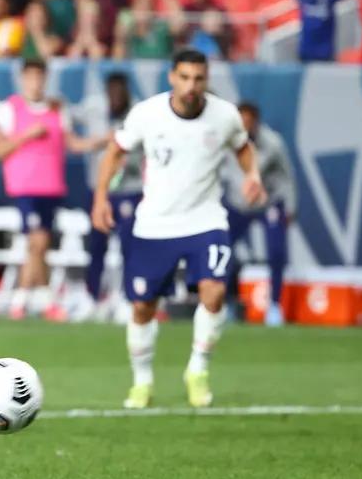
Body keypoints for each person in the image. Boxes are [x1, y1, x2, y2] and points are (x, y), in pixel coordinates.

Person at [91, 49, 266, 410]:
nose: (191, 86)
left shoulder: (225, 116)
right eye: (184, 78)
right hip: (155, 224)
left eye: (198, 79)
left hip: (206, 220)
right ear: (172, 77)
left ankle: (198, 370)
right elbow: (115, 151)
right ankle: (142, 381)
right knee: (142, 306)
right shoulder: (147, 114)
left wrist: (253, 175)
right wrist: (100, 198)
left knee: (214, 293)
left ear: (207, 79)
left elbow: (243, 147)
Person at [0, 59, 105, 320]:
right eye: (30, 78)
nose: (35, 83)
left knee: (39, 245)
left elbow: (73, 144)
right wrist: (26, 135)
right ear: (22, 80)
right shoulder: (10, 108)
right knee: (37, 241)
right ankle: (29, 301)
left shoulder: (57, 109)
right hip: (24, 187)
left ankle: (33, 301)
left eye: (39, 78)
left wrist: (103, 142)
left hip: (51, 187)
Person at [223, 102, 295, 327]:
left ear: (256, 122)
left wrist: (290, 207)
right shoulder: (226, 143)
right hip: (238, 203)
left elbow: (287, 175)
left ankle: (274, 305)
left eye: (249, 121)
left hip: (268, 202)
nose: (245, 126)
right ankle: (227, 302)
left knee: (276, 251)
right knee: (222, 250)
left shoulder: (272, 143)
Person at [77, 72, 140, 319]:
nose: (115, 97)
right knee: (96, 245)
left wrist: (125, 155)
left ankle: (127, 297)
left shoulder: (137, 114)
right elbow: (69, 119)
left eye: (119, 91)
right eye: (111, 91)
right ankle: (91, 296)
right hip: (99, 189)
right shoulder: (94, 109)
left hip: (129, 189)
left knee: (129, 246)